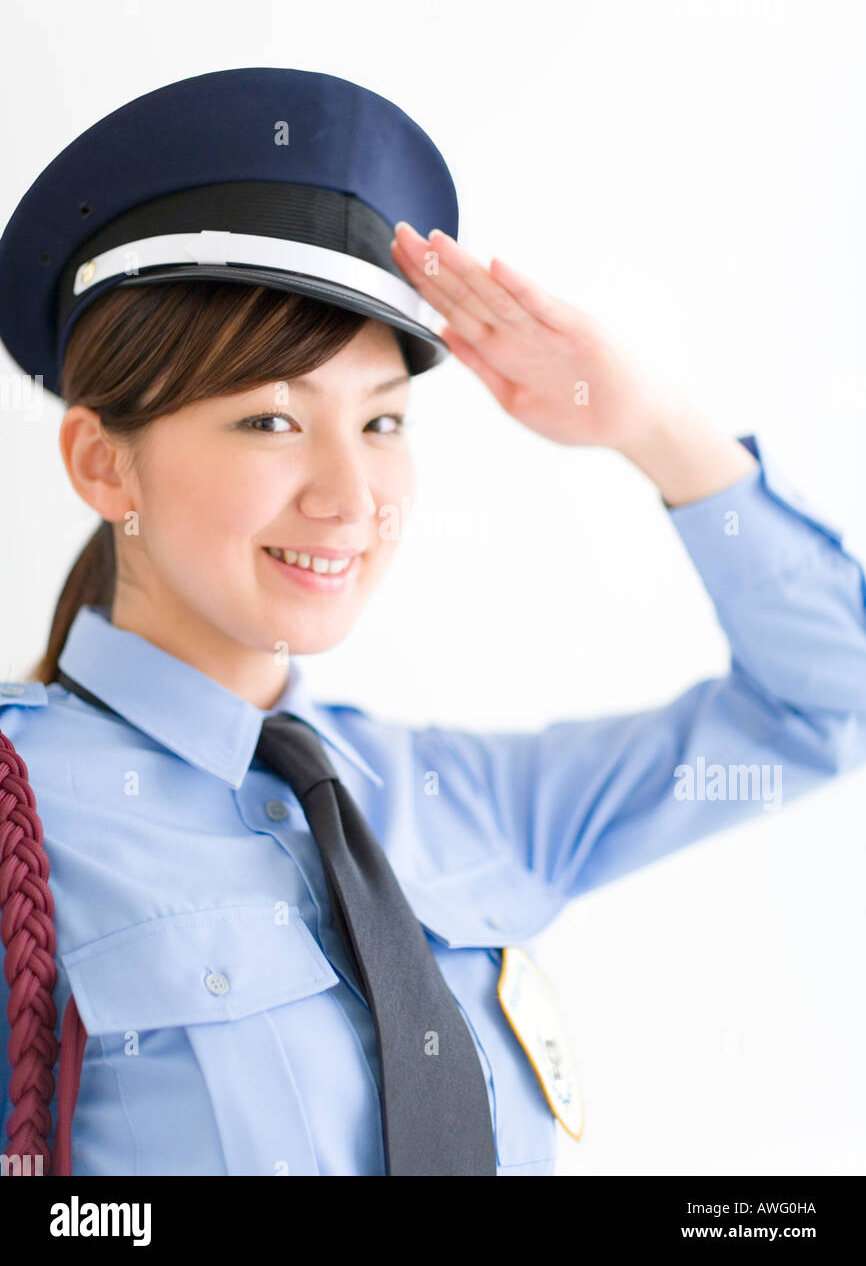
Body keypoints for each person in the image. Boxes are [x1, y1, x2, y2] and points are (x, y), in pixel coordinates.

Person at [1, 68, 865, 1178]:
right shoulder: (29, 818)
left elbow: (827, 698)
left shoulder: (457, 800)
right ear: (100, 459)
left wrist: (651, 426)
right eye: (270, 418)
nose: (348, 496)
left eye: (382, 421)